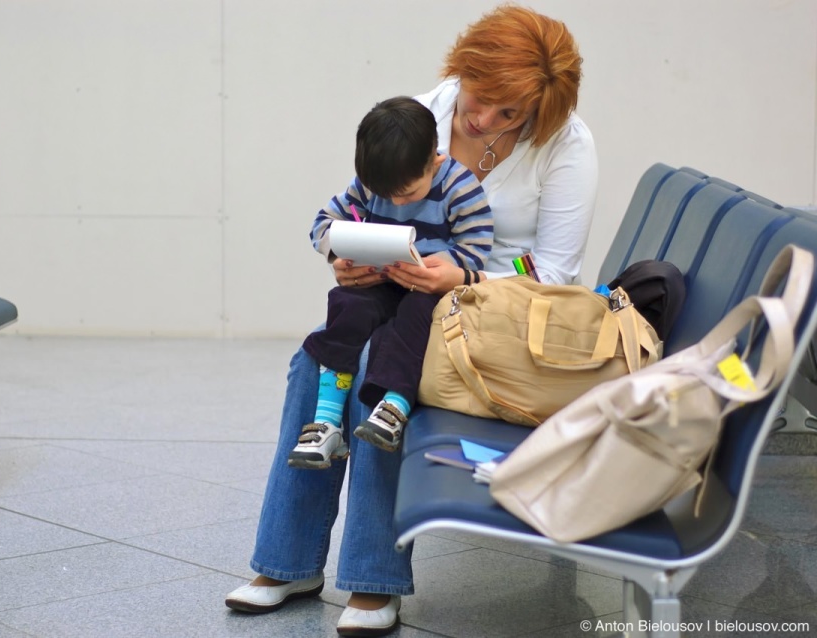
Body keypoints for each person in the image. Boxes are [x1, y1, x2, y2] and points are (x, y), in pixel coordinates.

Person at [226, 5, 598, 636]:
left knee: (375, 364)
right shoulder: (420, 114)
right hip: (404, 287)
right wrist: (344, 255)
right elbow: (361, 199)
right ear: (464, 71)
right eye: (480, 100)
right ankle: (287, 563)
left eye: (510, 115)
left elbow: (557, 275)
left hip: (493, 310)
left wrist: (466, 277)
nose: (484, 121)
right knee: (317, 355)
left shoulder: (566, 145)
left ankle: (374, 581)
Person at [289, 96, 492, 470]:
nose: (396, 202)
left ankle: (395, 406)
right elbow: (323, 223)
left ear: (435, 160)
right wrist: (339, 254)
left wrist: (445, 271)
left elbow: (477, 250)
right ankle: (327, 421)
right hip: (381, 282)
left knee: (414, 320)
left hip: (429, 292)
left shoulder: (460, 188)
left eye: (409, 194)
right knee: (346, 303)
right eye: (387, 195)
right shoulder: (371, 185)